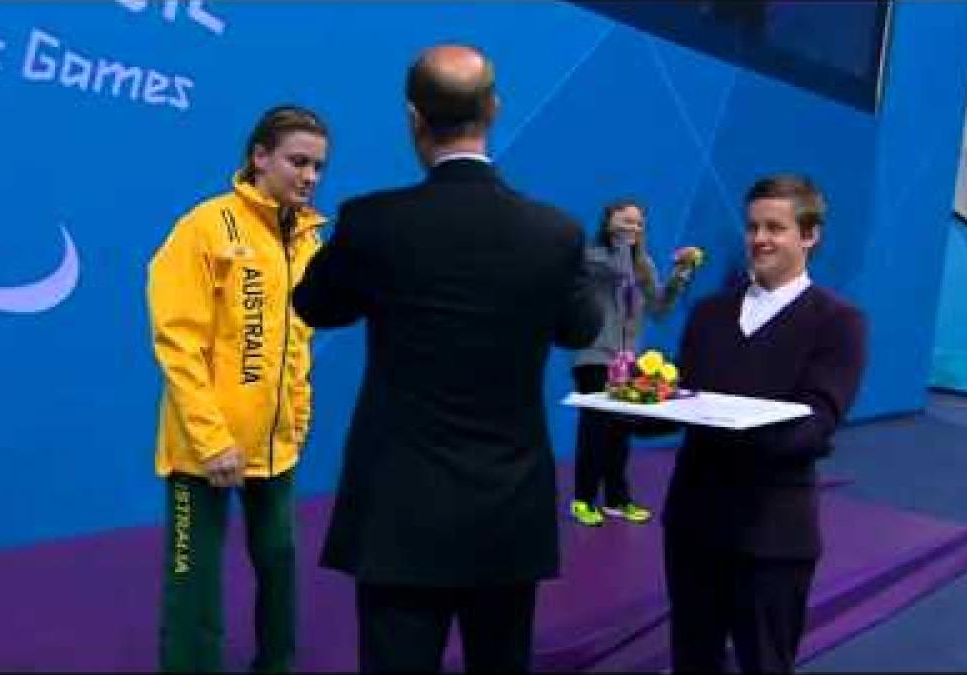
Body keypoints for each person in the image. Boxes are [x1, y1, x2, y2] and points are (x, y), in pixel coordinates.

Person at [292, 44, 602, 673]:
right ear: (494, 109)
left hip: (399, 511)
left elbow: (315, 306)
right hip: (507, 509)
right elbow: (581, 329)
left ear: (413, 118)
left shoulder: (373, 222)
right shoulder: (556, 233)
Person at [146, 105, 330, 672]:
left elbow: (296, 341)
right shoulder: (205, 226)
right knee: (193, 578)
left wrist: (297, 417)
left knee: (279, 562)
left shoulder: (306, 241)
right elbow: (179, 342)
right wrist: (210, 439)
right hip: (205, 450)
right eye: (298, 162)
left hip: (275, 448)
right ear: (260, 157)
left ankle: (276, 666)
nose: (310, 177)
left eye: (319, 167)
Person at [661, 175, 867, 673]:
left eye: (775, 227)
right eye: (753, 227)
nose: (760, 239)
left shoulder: (838, 322)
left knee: (765, 664)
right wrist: (624, 407)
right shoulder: (709, 314)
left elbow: (819, 421)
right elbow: (679, 403)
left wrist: (734, 424)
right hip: (693, 522)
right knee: (692, 661)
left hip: (772, 533)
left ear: (810, 236)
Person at [569, 199, 700, 527]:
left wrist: (681, 274)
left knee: (620, 432)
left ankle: (617, 499)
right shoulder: (592, 256)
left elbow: (659, 308)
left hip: (626, 361)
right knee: (595, 430)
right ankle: (584, 499)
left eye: (639, 224)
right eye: (626, 222)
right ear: (608, 222)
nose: (634, 229)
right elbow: (616, 272)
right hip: (595, 356)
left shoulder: (643, 264)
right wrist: (624, 246)